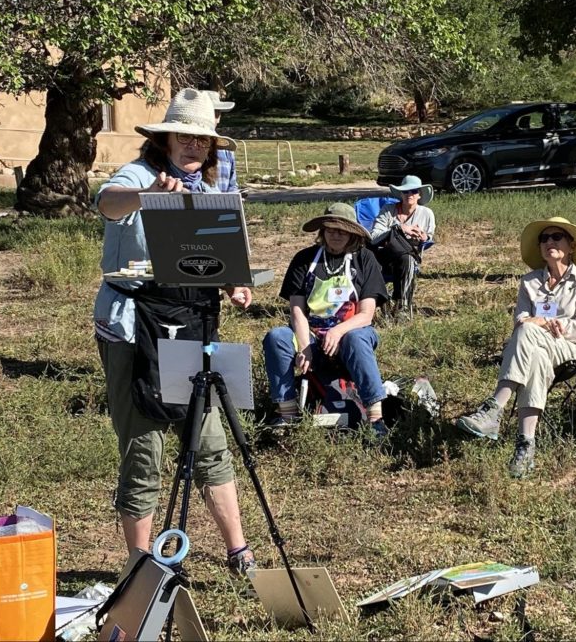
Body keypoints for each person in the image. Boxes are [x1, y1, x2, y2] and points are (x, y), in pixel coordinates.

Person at [93, 88, 256, 573]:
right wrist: (147, 197)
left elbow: (209, 261)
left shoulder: (208, 194)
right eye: (185, 138)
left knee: (207, 440)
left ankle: (238, 551)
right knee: (145, 447)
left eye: (202, 142)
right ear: (165, 139)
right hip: (134, 328)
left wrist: (233, 284)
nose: (193, 147)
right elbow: (107, 203)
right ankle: (140, 565)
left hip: (191, 327)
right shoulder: (141, 176)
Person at [456, 218, 576, 478]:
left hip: (573, 347)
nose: (549, 243)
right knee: (535, 355)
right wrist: (539, 324)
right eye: (543, 239)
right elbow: (519, 321)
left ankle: (494, 409)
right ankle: (525, 447)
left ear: (571, 245)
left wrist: (544, 322)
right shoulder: (529, 282)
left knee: (529, 332)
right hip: (536, 347)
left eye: (556, 237)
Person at [263, 203, 391, 434]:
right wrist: (305, 347)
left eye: (342, 230)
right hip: (311, 335)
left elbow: (367, 314)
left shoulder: (365, 259)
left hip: (351, 335)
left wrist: (338, 331)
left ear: (353, 233)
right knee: (277, 337)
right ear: (322, 231)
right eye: (331, 229)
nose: (336, 234)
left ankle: (375, 416)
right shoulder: (304, 259)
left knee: (356, 338)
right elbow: (297, 311)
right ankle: (287, 411)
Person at [370, 174, 436, 314]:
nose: (409, 194)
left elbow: (428, 237)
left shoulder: (426, 214)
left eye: (414, 191)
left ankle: (403, 307)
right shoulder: (388, 210)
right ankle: (383, 303)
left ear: (420, 195)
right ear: (400, 193)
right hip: (385, 253)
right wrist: (398, 227)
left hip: (409, 254)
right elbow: (373, 237)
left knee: (408, 259)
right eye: (405, 191)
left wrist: (424, 237)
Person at [205, 89, 239, 193]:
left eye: (215, 113)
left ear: (219, 116)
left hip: (223, 207)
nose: (211, 118)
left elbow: (232, 184)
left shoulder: (227, 149)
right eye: (207, 113)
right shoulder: (187, 149)